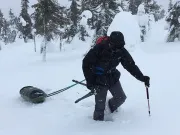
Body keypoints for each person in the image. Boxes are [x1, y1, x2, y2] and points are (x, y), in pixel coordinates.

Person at [82, 31, 150, 121]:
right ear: (111, 43)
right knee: (99, 108)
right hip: (99, 79)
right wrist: (90, 83)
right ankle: (97, 126)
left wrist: (142, 78)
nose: (120, 49)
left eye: (121, 46)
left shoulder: (121, 49)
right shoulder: (99, 48)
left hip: (112, 77)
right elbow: (86, 64)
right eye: (118, 46)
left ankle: (109, 109)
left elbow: (130, 65)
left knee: (121, 98)